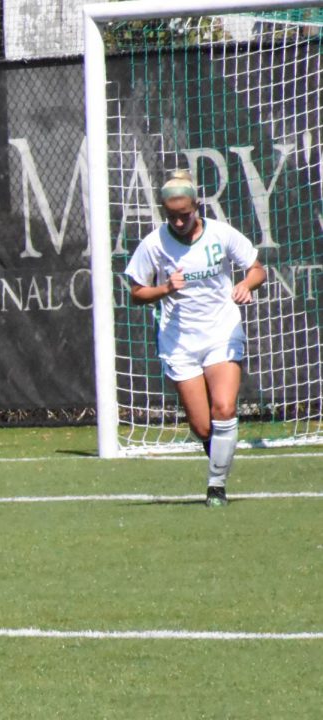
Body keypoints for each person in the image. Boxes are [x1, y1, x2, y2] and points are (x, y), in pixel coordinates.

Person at [125, 170, 266, 507]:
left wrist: (246, 285)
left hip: (221, 332)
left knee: (224, 407)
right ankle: (219, 453)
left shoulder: (221, 234)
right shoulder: (155, 243)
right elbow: (136, 292)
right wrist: (164, 288)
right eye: (171, 215)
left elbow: (256, 268)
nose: (177, 222)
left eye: (184, 215)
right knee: (204, 429)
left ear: (197, 206)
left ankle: (216, 487)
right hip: (179, 341)